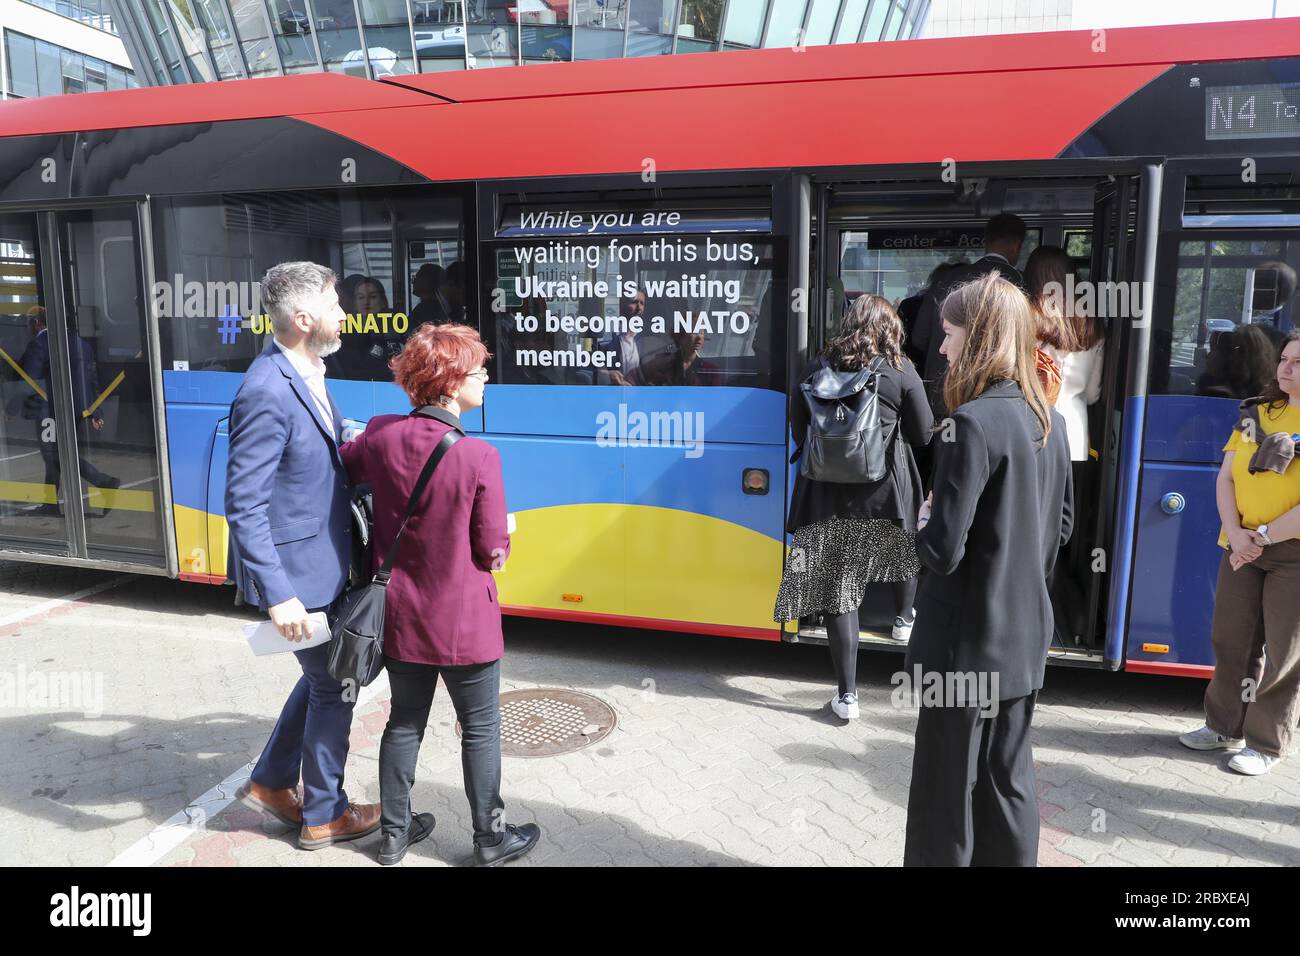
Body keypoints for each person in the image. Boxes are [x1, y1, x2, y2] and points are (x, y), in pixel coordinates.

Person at [340, 322, 541, 866]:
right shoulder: (479, 457)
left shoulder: (380, 435)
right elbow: (491, 550)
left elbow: (347, 470)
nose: (486, 379)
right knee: (479, 729)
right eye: (480, 371)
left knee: (404, 721)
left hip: (399, 615)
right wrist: (503, 541)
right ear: (451, 383)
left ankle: (394, 833)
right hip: (464, 622)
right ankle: (490, 839)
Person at [903, 273, 1073, 867]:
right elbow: (1063, 528)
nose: (942, 349)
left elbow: (943, 550)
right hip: (1025, 640)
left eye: (948, 335)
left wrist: (921, 522)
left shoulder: (970, 424)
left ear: (977, 339)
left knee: (944, 791)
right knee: (1007, 780)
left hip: (963, 647)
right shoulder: (1050, 422)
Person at [226, 261, 380, 849]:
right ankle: (324, 814)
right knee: (336, 683)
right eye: (335, 302)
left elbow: (318, 453)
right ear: (302, 317)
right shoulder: (266, 390)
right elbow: (245, 504)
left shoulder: (308, 371)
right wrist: (280, 594)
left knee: (324, 676)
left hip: (325, 561)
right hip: (300, 577)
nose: (345, 312)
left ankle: (270, 781)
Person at [774, 295, 934, 720]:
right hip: (883, 492)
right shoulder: (900, 370)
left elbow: (799, 428)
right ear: (891, 329)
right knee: (903, 551)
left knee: (837, 590)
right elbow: (922, 434)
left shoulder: (817, 366)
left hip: (826, 493)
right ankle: (903, 620)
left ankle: (847, 697)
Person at [1179, 330, 1300, 775]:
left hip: (1290, 552)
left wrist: (1260, 536)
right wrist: (1237, 532)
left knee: (1286, 653)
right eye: (1284, 359)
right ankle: (1222, 725)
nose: (1285, 367)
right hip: (1243, 543)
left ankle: (1266, 744)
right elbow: (1227, 477)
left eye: (1298, 362)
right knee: (1232, 640)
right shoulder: (1257, 412)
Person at [910, 214, 1028, 419]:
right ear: (1017, 246)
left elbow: (919, 338)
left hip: (941, 396)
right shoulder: (1019, 286)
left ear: (986, 241)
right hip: (996, 405)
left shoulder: (946, 279)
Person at [18, 306, 119, 515]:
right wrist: (94, 411)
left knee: (53, 454)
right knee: (58, 454)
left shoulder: (39, 344)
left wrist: (15, 407)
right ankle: (50, 503)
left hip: (50, 410)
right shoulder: (81, 343)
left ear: (37, 323)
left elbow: (30, 381)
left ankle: (104, 481)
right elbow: (90, 380)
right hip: (77, 410)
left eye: (29, 323)